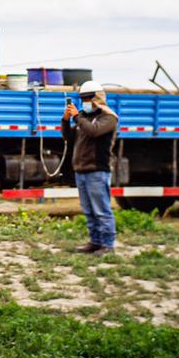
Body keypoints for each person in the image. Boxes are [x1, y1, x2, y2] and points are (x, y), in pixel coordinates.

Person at [61, 80, 118, 254]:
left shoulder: (109, 118)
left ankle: (107, 244)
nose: (85, 102)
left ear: (97, 98)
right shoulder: (84, 118)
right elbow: (69, 137)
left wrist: (77, 117)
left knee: (101, 210)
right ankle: (95, 241)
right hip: (81, 170)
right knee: (89, 211)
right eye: (83, 99)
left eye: (88, 98)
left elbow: (94, 131)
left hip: (97, 171)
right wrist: (65, 120)